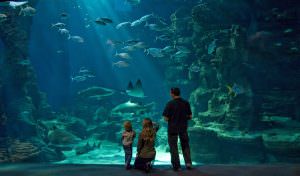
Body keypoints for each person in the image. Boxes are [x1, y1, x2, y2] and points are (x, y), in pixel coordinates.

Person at [163, 87, 192, 171]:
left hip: (172, 128)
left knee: (173, 147)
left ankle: (176, 166)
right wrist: (183, 118)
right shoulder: (186, 103)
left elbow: (165, 118)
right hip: (183, 127)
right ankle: (188, 163)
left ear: (172, 93)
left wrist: (172, 118)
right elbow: (190, 116)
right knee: (185, 145)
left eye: (170, 93)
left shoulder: (170, 104)